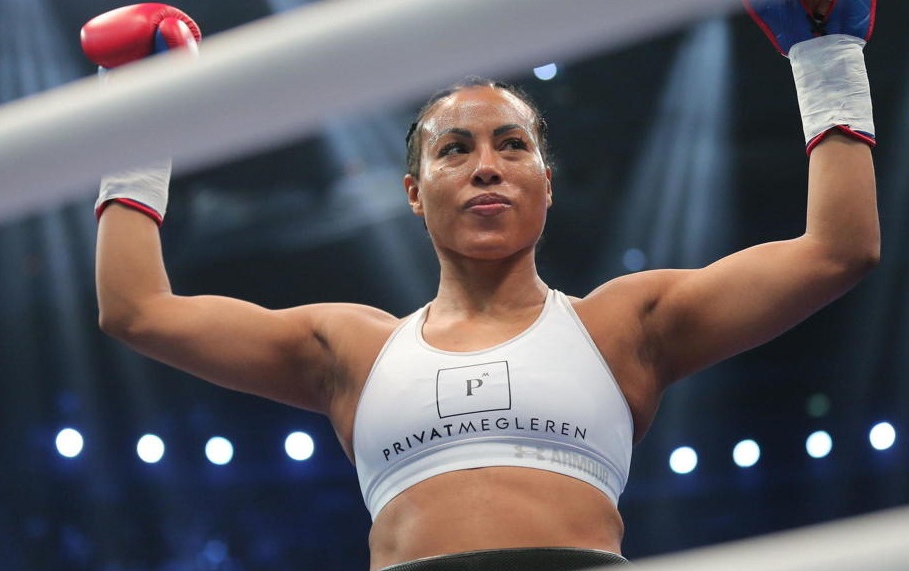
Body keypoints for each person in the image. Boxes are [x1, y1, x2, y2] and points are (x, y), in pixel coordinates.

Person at [85, 1, 880, 569]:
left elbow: (836, 252)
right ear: (413, 190)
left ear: (545, 182)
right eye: (455, 149)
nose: (487, 166)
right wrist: (135, 122)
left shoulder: (623, 326)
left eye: (511, 144)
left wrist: (827, 58)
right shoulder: (350, 348)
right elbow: (136, 310)